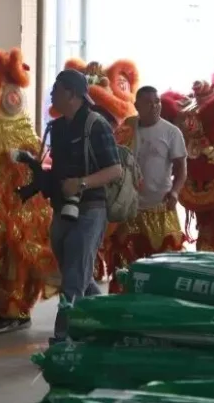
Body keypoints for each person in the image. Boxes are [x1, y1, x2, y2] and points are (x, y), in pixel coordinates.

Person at [47, 69, 122, 342]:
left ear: (72, 94)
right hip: (62, 209)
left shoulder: (96, 125)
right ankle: (107, 321)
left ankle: (62, 338)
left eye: (56, 89)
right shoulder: (57, 128)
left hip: (90, 209)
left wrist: (81, 183)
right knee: (76, 272)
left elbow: (115, 170)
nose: (52, 94)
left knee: (73, 278)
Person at [108, 86, 187, 292]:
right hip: (129, 209)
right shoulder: (127, 128)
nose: (154, 106)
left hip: (161, 208)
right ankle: (124, 305)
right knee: (124, 266)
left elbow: (181, 170)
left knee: (165, 268)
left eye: (157, 102)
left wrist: (175, 192)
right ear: (137, 105)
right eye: (149, 103)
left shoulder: (172, 132)